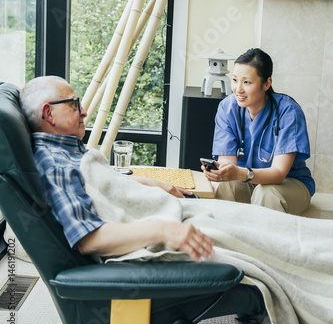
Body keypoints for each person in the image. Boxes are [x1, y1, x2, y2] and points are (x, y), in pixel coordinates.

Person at [20, 75, 213, 263]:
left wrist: (157, 185)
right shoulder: (55, 166)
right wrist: (165, 230)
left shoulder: (66, 151)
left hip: (173, 214)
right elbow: (88, 239)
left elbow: (107, 186)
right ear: (48, 113)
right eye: (74, 105)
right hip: (170, 226)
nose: (84, 112)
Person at [202, 48, 314, 215]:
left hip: (288, 184)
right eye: (234, 80)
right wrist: (221, 170)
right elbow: (228, 162)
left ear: (267, 83)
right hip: (246, 181)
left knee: (266, 193)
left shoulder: (288, 111)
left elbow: (279, 174)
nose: (238, 89)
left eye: (247, 82)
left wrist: (241, 173)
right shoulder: (227, 108)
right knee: (222, 185)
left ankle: (262, 241)